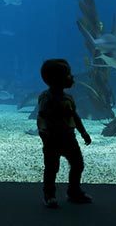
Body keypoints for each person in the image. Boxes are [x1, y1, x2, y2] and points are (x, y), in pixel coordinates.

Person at [36, 58, 92, 208]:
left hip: (69, 137)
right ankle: (49, 194)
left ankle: (74, 191)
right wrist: (42, 131)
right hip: (52, 139)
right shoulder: (46, 98)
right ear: (56, 79)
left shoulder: (69, 98)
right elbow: (41, 116)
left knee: (78, 164)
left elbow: (75, 116)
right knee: (52, 168)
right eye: (68, 74)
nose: (72, 77)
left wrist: (83, 132)